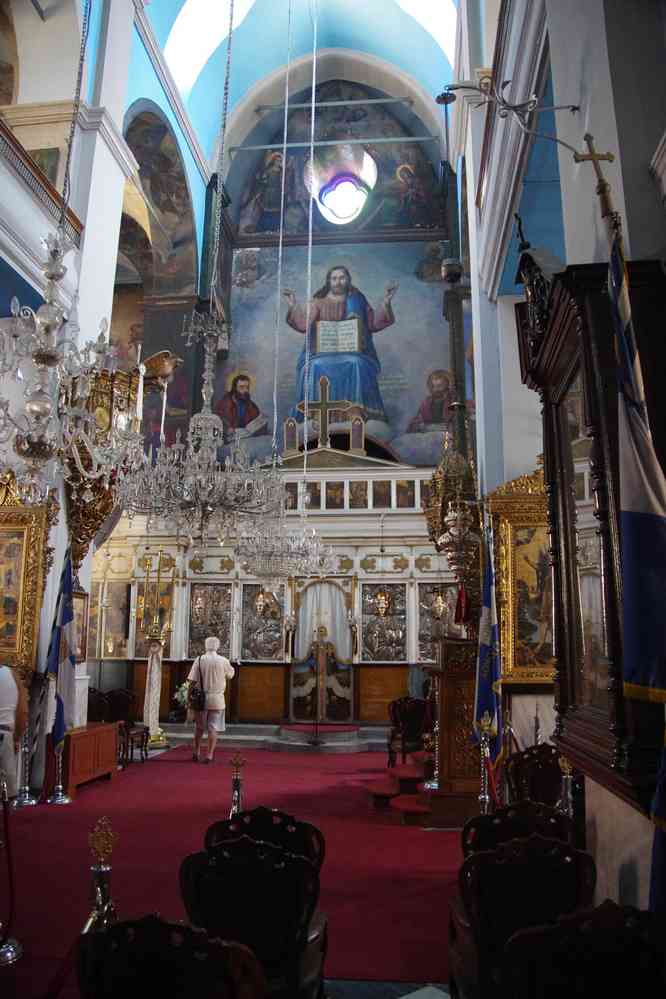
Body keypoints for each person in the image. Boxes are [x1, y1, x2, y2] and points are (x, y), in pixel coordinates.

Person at [283, 265, 398, 426]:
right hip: (321, 353)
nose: (338, 282)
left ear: (348, 280)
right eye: (334, 278)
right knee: (313, 366)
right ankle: (316, 417)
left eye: (342, 278)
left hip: (354, 352)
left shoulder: (358, 299)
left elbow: (372, 323)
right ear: (329, 281)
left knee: (356, 363)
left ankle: (356, 413)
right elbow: (303, 324)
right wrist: (293, 304)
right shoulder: (318, 301)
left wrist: (386, 301)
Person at [188, 637, 235, 764]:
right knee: (212, 728)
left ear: (205, 646)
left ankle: (196, 752)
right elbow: (231, 675)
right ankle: (209, 755)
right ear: (217, 647)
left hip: (201, 700)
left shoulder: (199, 660)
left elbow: (191, 681)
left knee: (199, 728)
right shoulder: (223, 661)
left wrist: (188, 698)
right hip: (217, 700)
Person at [0, 664, 27, 798]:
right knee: (6, 795)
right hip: (5, 737)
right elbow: (22, 711)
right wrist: (16, 738)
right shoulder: (11, 674)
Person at [215, 374, 267, 438]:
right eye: (241, 387)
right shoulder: (225, 402)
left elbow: (257, 418)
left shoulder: (249, 403)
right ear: (234, 388)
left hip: (246, 437)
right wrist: (227, 428)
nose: (245, 390)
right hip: (230, 438)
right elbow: (217, 418)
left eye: (247, 387)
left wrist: (261, 422)